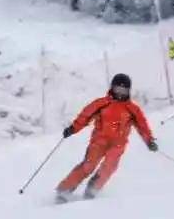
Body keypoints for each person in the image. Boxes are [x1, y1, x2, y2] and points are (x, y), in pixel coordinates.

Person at [56, 73, 158, 202]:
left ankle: (92, 190)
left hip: (118, 144)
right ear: (112, 88)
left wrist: (149, 141)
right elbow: (85, 116)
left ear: (128, 91)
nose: (120, 93)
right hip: (99, 141)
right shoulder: (101, 103)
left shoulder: (132, 109)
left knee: (109, 166)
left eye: (124, 90)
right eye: (118, 89)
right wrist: (73, 129)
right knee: (88, 166)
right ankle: (64, 190)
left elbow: (142, 126)